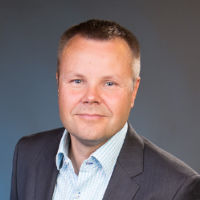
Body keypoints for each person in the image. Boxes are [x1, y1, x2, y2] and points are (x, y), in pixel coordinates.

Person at [10, 19, 200, 200]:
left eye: (109, 83)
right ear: (58, 84)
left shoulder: (177, 188)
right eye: (77, 81)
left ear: (133, 91)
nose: (91, 97)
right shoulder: (27, 154)